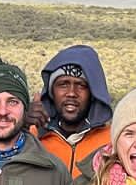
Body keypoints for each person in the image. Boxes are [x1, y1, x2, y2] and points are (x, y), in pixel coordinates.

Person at [33, 46, 114, 177]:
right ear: (51, 92)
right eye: (63, 84)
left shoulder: (112, 142)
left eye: (81, 85)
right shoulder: (32, 137)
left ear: (93, 94)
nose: (71, 93)